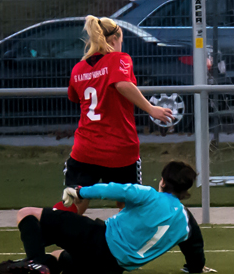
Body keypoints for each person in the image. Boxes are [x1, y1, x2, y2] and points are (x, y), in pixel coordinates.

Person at [0, 161, 215, 274]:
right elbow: (195, 249)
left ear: (164, 182)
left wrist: (80, 192)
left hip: (97, 240)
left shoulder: (150, 195)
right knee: (58, 256)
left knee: (26, 213)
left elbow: (113, 189)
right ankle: (42, 263)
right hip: (111, 267)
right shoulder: (186, 221)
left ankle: (34, 262)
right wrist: (195, 268)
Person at [52, 15, 173, 216]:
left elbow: (75, 96)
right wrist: (152, 109)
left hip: (86, 148)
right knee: (130, 207)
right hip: (119, 149)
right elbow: (122, 84)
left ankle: (51, 234)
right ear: (113, 40)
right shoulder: (119, 59)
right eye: (121, 41)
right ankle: (124, 245)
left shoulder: (78, 68)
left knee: (74, 203)